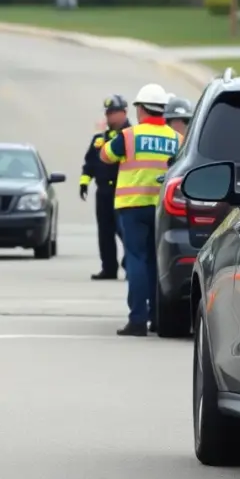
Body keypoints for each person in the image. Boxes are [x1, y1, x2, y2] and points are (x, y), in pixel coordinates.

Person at [100, 83, 180, 337]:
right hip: (162, 209)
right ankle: (157, 318)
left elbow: (105, 155)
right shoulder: (177, 139)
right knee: (157, 263)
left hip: (132, 208)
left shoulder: (129, 136)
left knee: (136, 260)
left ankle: (137, 319)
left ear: (142, 109)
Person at [81, 95, 131, 280]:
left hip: (123, 193)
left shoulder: (130, 136)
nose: (110, 117)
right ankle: (108, 268)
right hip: (103, 193)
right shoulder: (99, 139)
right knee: (105, 233)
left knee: (126, 232)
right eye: (108, 113)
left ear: (124, 112)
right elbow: (89, 164)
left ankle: (130, 266)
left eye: (113, 113)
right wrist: (84, 182)